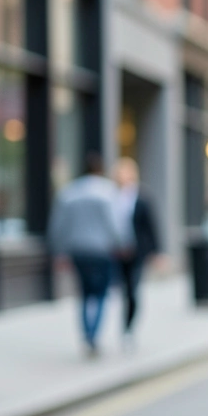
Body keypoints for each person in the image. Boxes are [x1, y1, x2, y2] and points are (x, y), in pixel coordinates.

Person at [48, 153, 125, 357]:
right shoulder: (108, 192)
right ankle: (93, 335)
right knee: (100, 294)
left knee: (84, 294)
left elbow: (58, 225)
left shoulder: (69, 192)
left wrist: (59, 251)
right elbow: (115, 223)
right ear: (100, 169)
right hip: (102, 251)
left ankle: (86, 334)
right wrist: (121, 244)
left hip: (78, 250)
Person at [114, 158, 162, 348]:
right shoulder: (112, 197)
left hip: (136, 252)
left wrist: (157, 252)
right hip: (117, 252)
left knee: (132, 290)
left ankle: (128, 328)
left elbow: (151, 226)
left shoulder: (142, 198)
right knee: (122, 291)